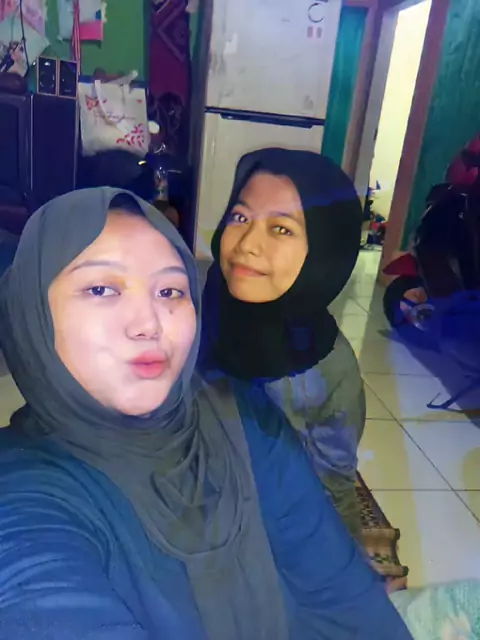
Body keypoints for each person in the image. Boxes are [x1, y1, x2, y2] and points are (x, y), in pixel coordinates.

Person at [0, 188, 410, 639]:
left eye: (170, 291)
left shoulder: (239, 417)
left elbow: (342, 593)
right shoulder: (23, 493)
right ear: (31, 311)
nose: (149, 323)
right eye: (101, 289)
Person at [200, 148, 366, 537]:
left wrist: (346, 561)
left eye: (281, 229)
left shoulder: (328, 371)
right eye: (240, 217)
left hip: (266, 517)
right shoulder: (193, 305)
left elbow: (334, 487)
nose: (247, 244)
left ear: (324, 251)